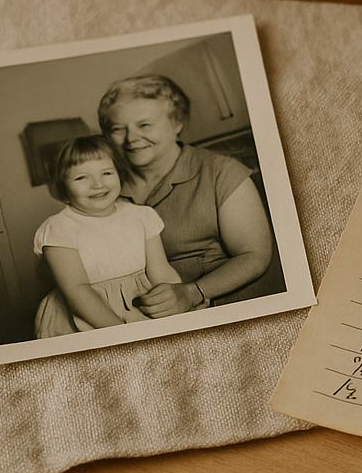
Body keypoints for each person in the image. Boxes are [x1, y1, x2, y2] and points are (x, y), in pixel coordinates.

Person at [97, 73, 273, 315]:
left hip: (223, 309)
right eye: (118, 129)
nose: (132, 138)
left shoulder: (221, 172)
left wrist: (192, 292)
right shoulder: (103, 188)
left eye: (144, 125)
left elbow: (254, 255)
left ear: (177, 123)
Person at [33, 135, 181, 337]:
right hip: (88, 317)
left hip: (139, 307)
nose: (97, 184)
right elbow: (77, 291)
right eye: (81, 178)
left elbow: (161, 271)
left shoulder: (142, 216)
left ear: (120, 174)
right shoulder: (59, 228)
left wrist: (180, 302)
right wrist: (120, 333)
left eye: (107, 173)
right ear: (62, 187)